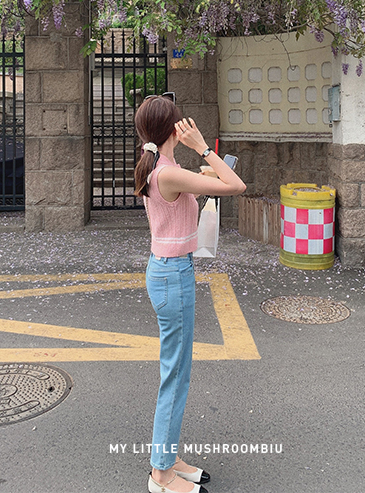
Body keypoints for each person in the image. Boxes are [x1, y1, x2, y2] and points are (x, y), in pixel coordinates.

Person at [134, 95, 246, 493]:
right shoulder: (167, 173)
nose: (186, 127)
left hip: (169, 271)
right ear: (172, 129)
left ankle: (169, 458)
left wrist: (202, 168)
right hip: (172, 275)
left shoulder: (161, 166)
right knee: (175, 375)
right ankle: (161, 475)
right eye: (181, 124)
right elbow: (236, 186)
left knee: (176, 373)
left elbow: (199, 193)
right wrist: (203, 147)